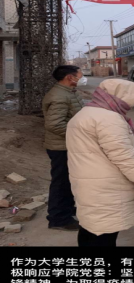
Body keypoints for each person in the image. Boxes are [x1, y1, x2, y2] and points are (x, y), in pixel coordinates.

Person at [66, 79, 134, 247]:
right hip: (107, 187)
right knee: (105, 232)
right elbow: (123, 156)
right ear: (122, 97)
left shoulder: (88, 112)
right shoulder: (108, 119)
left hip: (89, 181)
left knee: (91, 226)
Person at [42, 65, 85, 231]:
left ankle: (67, 209)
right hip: (60, 147)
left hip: (68, 145)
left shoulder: (69, 92)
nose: (81, 79)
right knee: (61, 183)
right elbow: (54, 124)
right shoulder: (59, 96)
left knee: (69, 181)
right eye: (79, 76)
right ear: (69, 77)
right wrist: (79, 134)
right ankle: (58, 219)